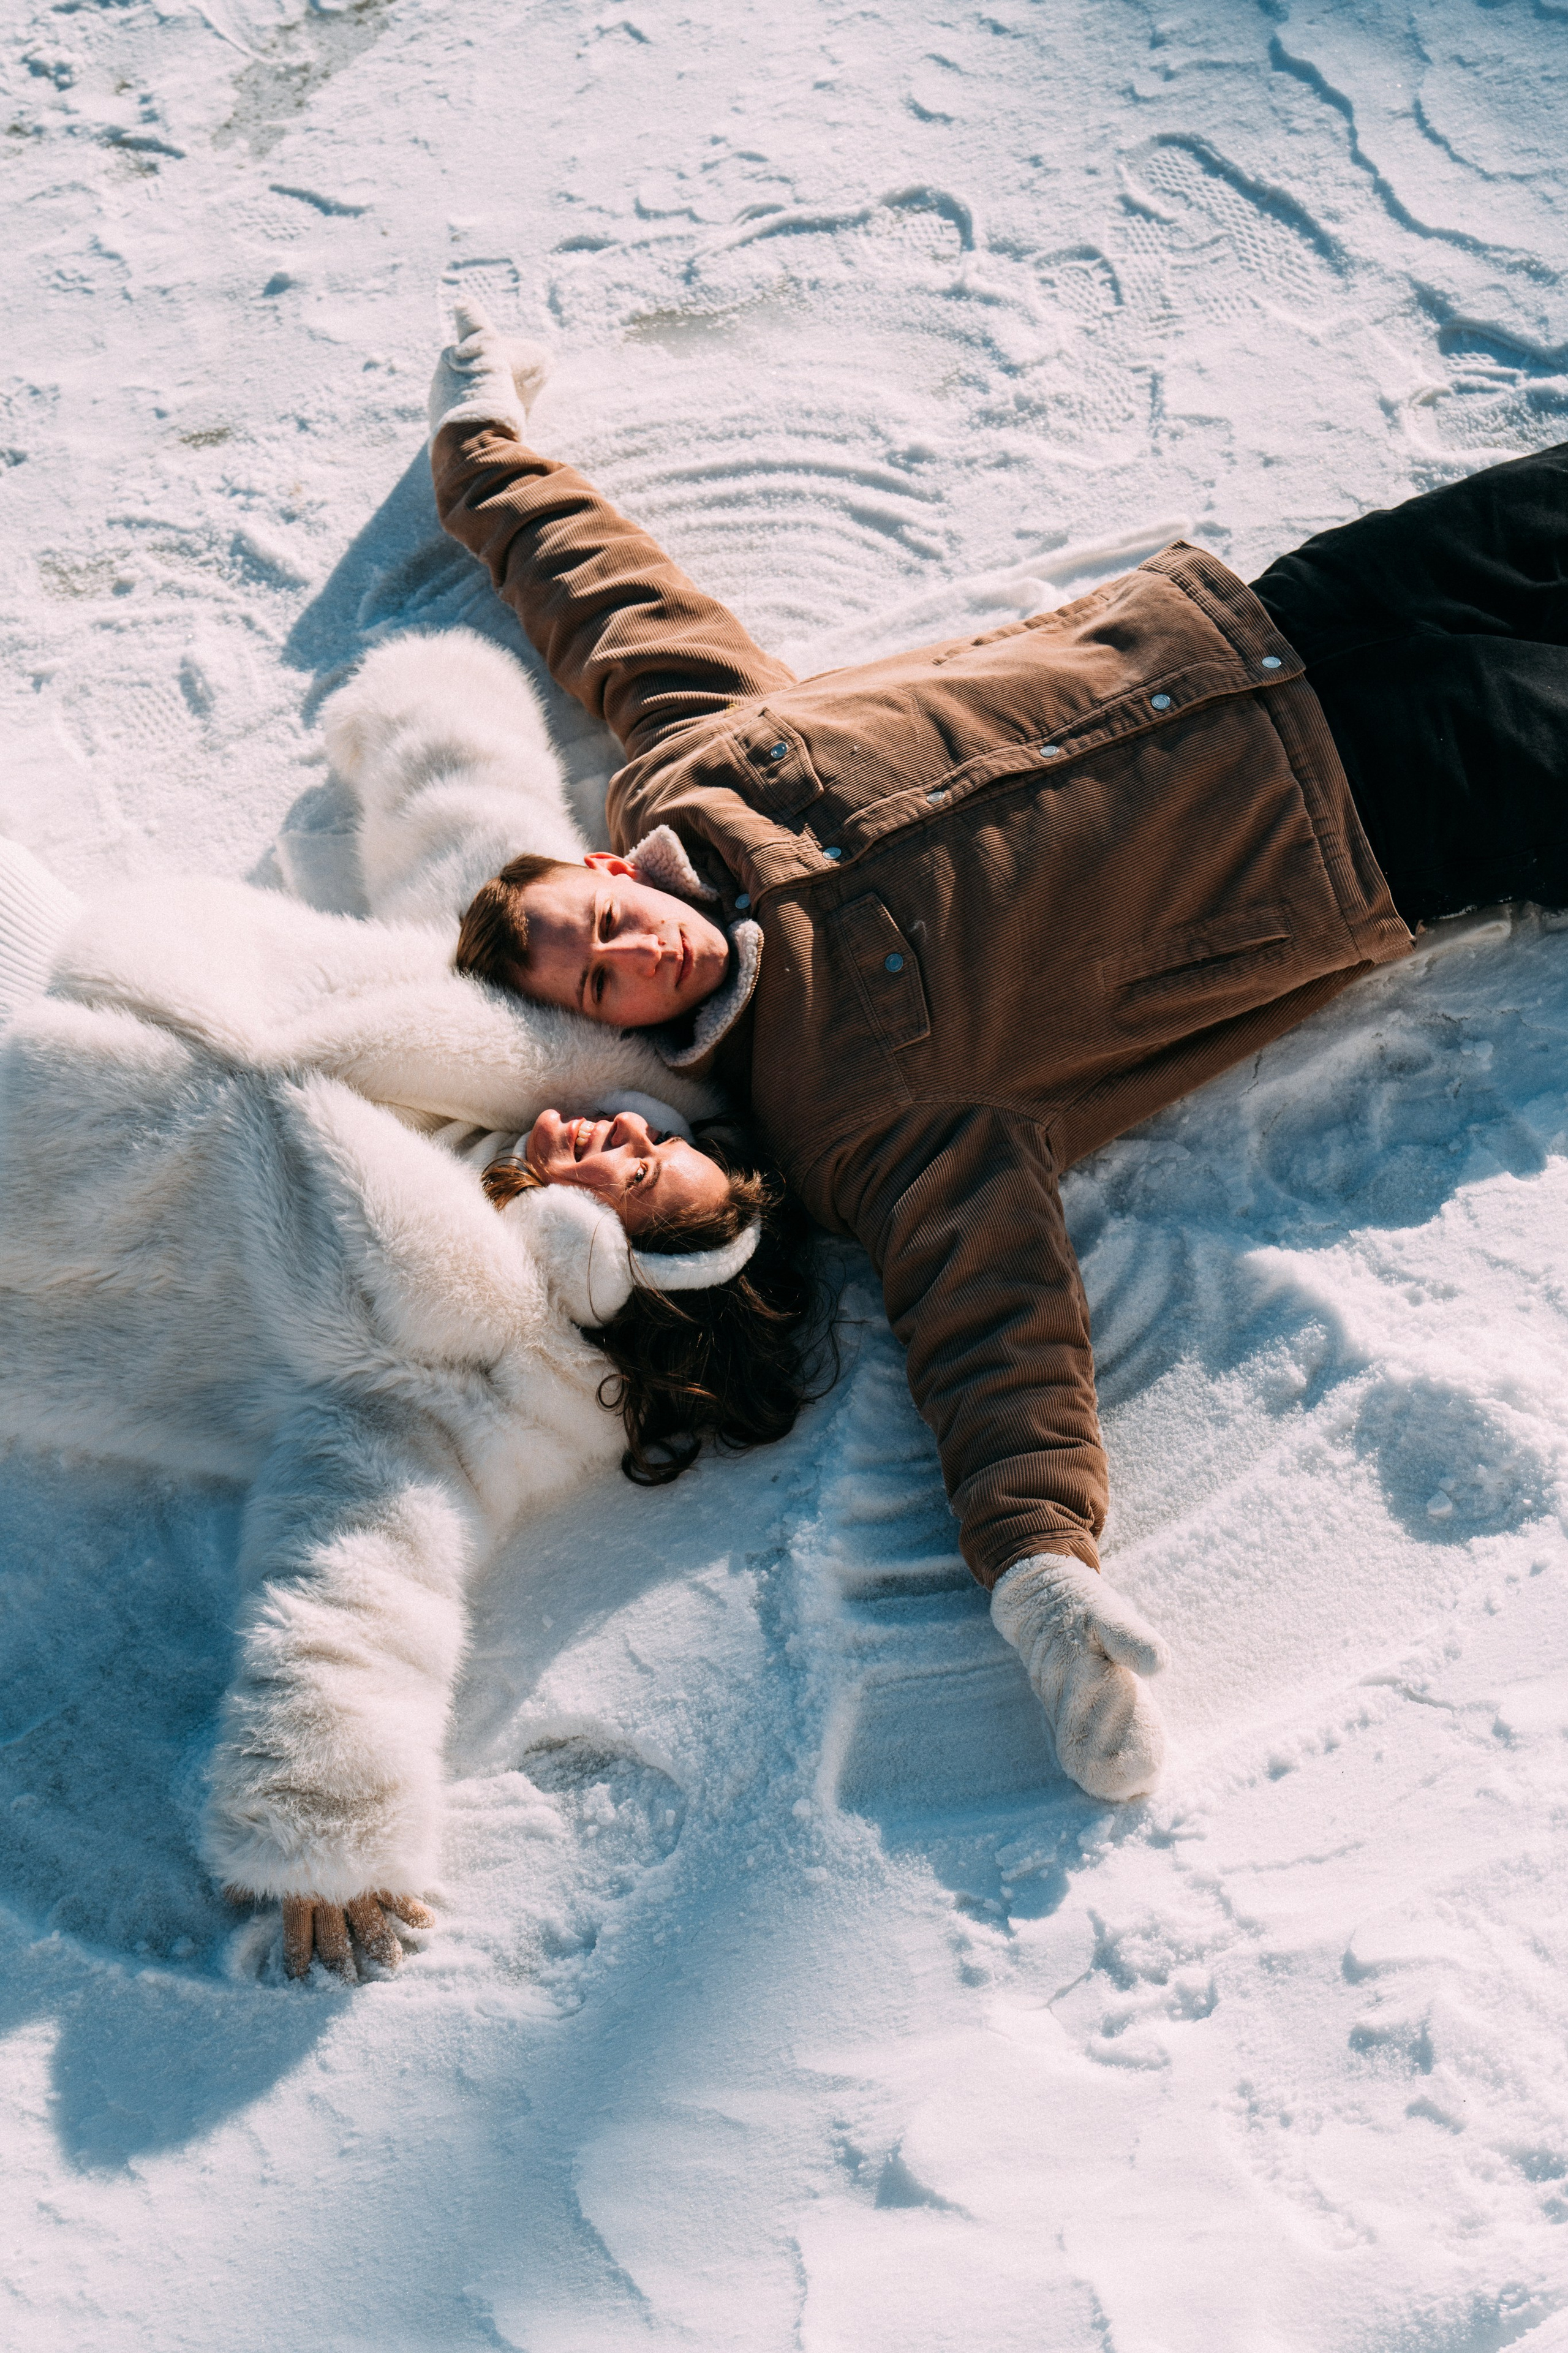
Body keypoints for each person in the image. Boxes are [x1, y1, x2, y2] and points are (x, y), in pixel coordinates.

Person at [428, 303, 1568, 1803]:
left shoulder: (701, 753)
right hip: (1376, 815)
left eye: (601, 922)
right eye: (603, 984)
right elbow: (991, 1334)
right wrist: (1040, 1578)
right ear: (610, 1036)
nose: (631, 955)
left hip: (1276, 622)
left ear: (608, 867)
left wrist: (476, 453)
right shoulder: (857, 1117)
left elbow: (604, 596)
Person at [0, 627, 823, 1982]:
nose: (610, 1139)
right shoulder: (566, 1045)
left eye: (623, 1181)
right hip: (95, 968)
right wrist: (424, 717)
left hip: (45, 1190)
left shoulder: (477, 1374)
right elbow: (484, 862)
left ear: (601, 1263)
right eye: (644, 1135)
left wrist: (328, 1827)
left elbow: (358, 1579)